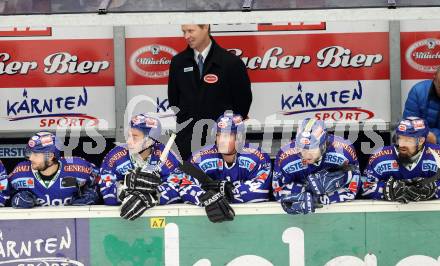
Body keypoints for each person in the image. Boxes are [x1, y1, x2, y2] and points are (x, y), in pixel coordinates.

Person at [168, 24, 252, 160]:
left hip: (221, 144)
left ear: (205, 27)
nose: (186, 36)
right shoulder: (178, 62)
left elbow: (242, 104)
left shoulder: (231, 63)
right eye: (184, 32)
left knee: (221, 180)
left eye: (190, 31)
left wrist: (225, 131)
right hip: (187, 143)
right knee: (189, 180)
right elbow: (174, 101)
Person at [177, 112, 271, 222]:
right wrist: (208, 198)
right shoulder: (200, 158)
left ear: (239, 137)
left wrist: (226, 193)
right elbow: (184, 186)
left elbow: (260, 191)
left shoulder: (258, 157)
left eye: (227, 136)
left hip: (254, 221)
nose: (221, 140)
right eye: (218, 135)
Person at [99, 113, 182, 220]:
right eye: (128, 135)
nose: (128, 141)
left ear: (149, 140)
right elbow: (106, 190)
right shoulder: (115, 156)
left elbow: (177, 185)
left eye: (134, 137)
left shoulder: (167, 156)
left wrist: (154, 195)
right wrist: (127, 191)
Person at [272, 118, 361, 215]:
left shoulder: (344, 151)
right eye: (302, 149)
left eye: (312, 149)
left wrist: (318, 199)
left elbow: (353, 187)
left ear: (323, 145)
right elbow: (277, 190)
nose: (306, 155)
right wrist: (301, 194)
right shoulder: (285, 157)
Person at [2, 131, 98, 208]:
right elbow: (5, 192)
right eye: (29, 154)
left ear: (50, 156)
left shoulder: (79, 168)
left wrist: (93, 194)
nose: (30, 158)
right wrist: (15, 199)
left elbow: (100, 180)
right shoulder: (20, 172)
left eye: (35, 155)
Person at [361, 117, 440, 203]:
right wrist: (386, 190)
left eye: (408, 140)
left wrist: (434, 189)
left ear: (421, 140)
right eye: (400, 138)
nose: (401, 144)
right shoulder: (379, 157)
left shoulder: (437, 156)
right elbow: (365, 186)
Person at [403, 66, 440, 144]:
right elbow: (409, 126)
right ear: (434, 78)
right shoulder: (418, 91)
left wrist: (436, 138)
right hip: (420, 145)